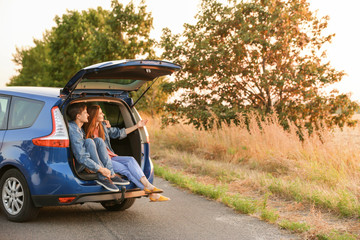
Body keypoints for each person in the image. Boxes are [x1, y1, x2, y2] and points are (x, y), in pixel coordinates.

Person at [83, 105, 170, 202]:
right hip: (103, 161)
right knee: (126, 170)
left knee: (131, 159)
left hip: (111, 156)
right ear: (94, 116)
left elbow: (119, 133)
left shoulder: (102, 126)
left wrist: (137, 126)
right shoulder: (84, 131)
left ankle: (148, 185)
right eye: (100, 113)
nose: (103, 114)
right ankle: (151, 192)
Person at [67, 103, 129, 192]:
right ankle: (103, 177)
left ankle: (111, 174)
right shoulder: (73, 130)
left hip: (86, 162)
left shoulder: (79, 128)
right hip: (77, 165)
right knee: (89, 141)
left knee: (98, 140)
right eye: (85, 112)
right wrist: (101, 169)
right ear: (78, 116)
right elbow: (81, 158)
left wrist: (103, 123)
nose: (88, 114)